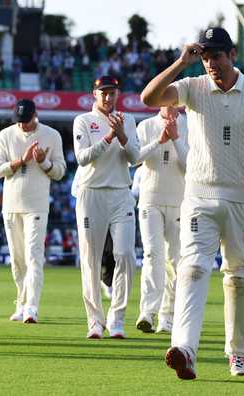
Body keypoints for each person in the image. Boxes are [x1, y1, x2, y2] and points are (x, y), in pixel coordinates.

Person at [141, 27, 244, 379]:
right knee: (193, 268)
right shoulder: (193, 86)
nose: (210, 63)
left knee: (240, 276)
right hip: (199, 195)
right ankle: (184, 348)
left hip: (241, 199)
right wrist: (181, 63)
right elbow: (149, 99)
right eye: (204, 57)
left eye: (216, 56)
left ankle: (240, 355)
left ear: (232, 55)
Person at [73, 75, 140, 339]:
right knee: (90, 259)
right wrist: (110, 136)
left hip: (121, 193)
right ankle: (94, 321)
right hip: (92, 195)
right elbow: (83, 158)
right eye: (104, 93)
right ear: (95, 94)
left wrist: (122, 133)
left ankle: (117, 319)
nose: (108, 98)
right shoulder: (83, 121)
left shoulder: (128, 120)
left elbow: (135, 158)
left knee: (124, 254)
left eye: (112, 93)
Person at [0, 99, 66, 323]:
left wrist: (44, 163)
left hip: (37, 205)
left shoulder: (52, 135)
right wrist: (18, 162)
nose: (23, 125)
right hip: (11, 205)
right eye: (20, 121)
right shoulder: (5, 135)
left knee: (34, 256)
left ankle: (32, 307)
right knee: (17, 260)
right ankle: (21, 302)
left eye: (27, 121)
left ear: (36, 115)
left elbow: (60, 171)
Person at [134, 106, 188, 334]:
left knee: (175, 260)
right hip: (150, 199)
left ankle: (168, 316)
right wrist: (159, 140)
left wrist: (175, 138)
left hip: (179, 200)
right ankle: (147, 312)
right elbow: (133, 158)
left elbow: (191, 166)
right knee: (152, 254)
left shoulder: (191, 124)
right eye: (166, 99)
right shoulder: (146, 125)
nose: (171, 105)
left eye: (175, 99)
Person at [70, 167, 115, 300]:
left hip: (111, 214)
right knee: (91, 253)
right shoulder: (84, 166)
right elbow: (75, 190)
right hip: (91, 214)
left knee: (111, 251)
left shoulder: (113, 164)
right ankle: (93, 289)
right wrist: (90, 196)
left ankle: (107, 282)